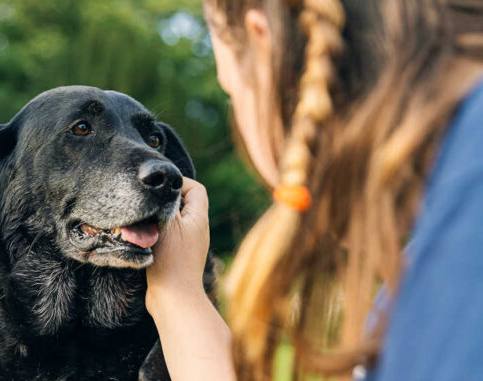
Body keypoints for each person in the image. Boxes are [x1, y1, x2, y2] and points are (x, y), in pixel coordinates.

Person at [145, 0, 483, 380]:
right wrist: (177, 292)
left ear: (263, 43)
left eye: (230, 94)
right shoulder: (435, 249)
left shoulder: (461, 250)